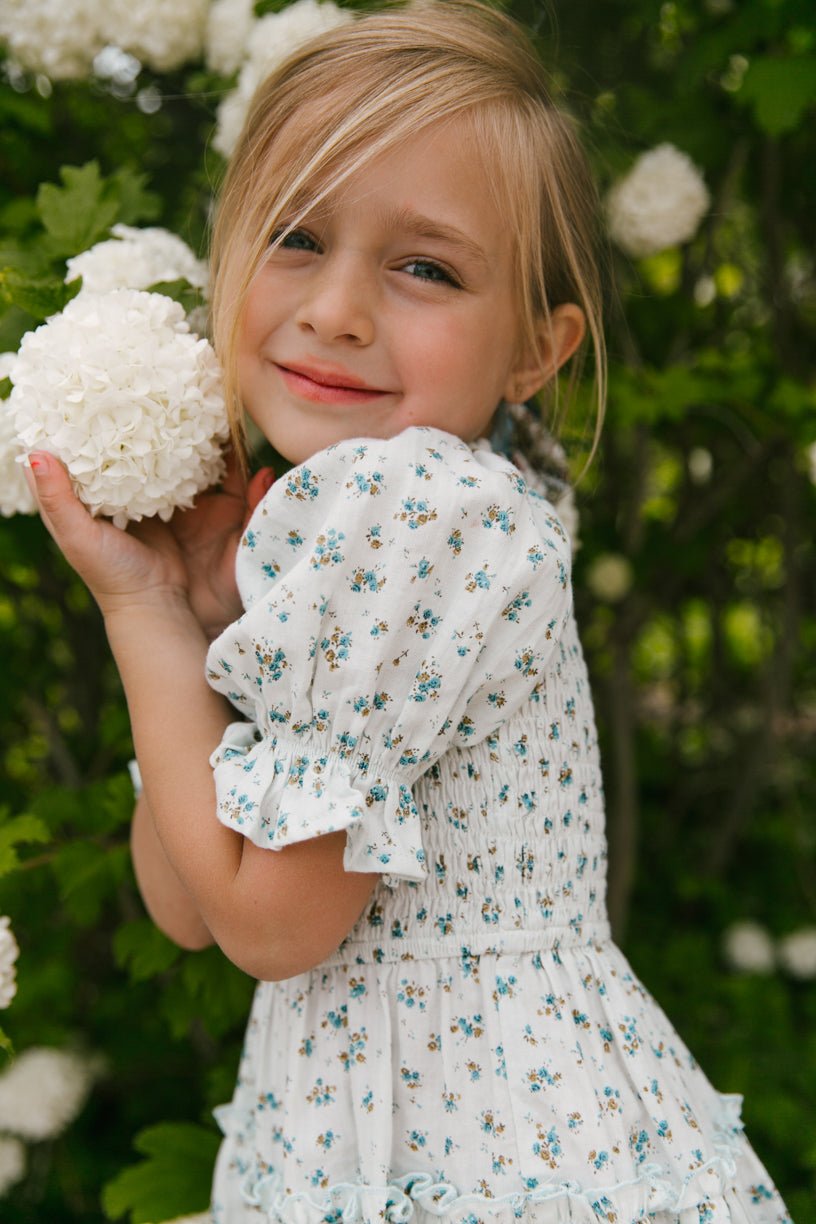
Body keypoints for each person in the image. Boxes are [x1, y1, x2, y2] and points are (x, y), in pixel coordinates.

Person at [26, 2, 792, 1221]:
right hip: (389, 1125)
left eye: (424, 267)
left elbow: (270, 929)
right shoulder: (375, 520)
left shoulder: (413, 507)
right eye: (296, 236)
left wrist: (144, 616)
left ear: (538, 351)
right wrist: (207, 634)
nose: (336, 308)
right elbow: (184, 901)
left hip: (478, 1157)